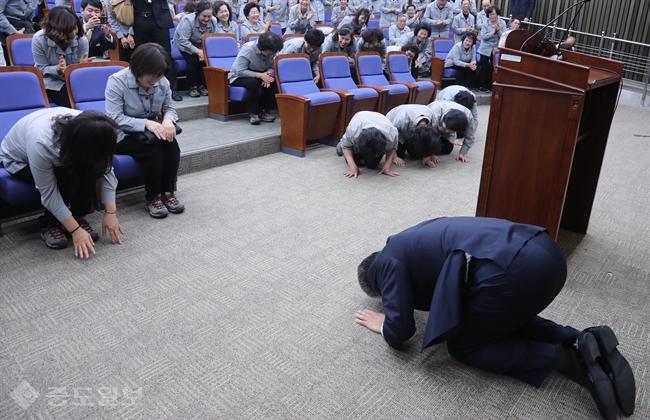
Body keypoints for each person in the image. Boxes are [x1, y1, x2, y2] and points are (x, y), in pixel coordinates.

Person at [355, 216, 636, 420]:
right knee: (494, 319)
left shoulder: (385, 263)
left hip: (510, 271)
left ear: (375, 288)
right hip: (544, 251)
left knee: (465, 345)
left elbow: (401, 329)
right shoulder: (414, 237)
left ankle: (567, 358)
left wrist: (384, 325)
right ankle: (582, 339)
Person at [0, 108, 124, 255]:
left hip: (64, 153)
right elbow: (48, 193)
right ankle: (49, 224)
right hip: (19, 160)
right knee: (68, 176)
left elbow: (105, 169)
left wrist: (111, 213)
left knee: (89, 169)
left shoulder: (96, 131)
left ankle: (78, 217)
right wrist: (75, 231)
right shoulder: (41, 142)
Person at [105, 43, 185, 218]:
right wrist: (146, 124)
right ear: (138, 68)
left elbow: (170, 107)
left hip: (151, 131)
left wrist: (168, 120)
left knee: (171, 144)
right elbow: (114, 118)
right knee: (153, 150)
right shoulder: (117, 81)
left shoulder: (161, 81)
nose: (156, 79)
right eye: (152, 74)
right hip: (121, 134)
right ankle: (152, 197)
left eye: (160, 74)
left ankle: (168, 192)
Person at [32, 6, 93, 108]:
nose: (74, 33)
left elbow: (82, 72)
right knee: (71, 103)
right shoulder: (39, 39)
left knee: (90, 98)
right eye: (69, 30)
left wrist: (80, 67)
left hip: (76, 80)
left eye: (75, 28)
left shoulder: (81, 40)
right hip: (52, 81)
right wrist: (58, 69)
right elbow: (40, 69)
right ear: (57, 30)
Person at [229, 30, 284, 124]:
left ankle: (264, 111)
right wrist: (260, 75)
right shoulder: (248, 49)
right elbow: (240, 71)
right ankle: (253, 113)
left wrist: (267, 75)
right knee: (253, 83)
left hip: (260, 74)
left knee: (272, 82)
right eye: (270, 53)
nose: (272, 55)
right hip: (238, 77)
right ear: (262, 48)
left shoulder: (273, 50)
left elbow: (272, 67)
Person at [132, 0, 181, 101]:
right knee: (143, 57)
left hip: (160, 20)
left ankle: (173, 89)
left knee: (166, 55)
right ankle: (144, 88)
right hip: (139, 19)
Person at [335, 111, 400, 178]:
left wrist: (387, 166)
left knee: (372, 165)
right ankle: (342, 142)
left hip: (379, 126)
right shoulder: (353, 130)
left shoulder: (391, 134)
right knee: (353, 160)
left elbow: (391, 149)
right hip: (357, 133)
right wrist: (352, 167)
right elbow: (346, 147)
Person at [174, 0, 217, 97]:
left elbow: (213, 39)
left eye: (209, 16)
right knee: (193, 61)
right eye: (204, 16)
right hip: (184, 43)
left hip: (201, 44)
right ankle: (192, 86)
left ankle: (201, 85)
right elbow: (183, 40)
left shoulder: (213, 21)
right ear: (198, 14)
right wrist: (198, 51)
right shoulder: (188, 21)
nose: (206, 19)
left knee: (203, 61)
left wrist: (204, 52)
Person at [477, 5, 504, 92]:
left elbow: (503, 36)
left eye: (494, 14)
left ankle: (491, 85)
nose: (492, 16)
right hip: (485, 48)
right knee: (483, 67)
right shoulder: (485, 23)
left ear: (497, 14)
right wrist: (493, 32)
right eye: (490, 14)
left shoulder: (502, 23)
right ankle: (482, 85)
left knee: (493, 68)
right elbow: (483, 36)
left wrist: (498, 31)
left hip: (495, 49)